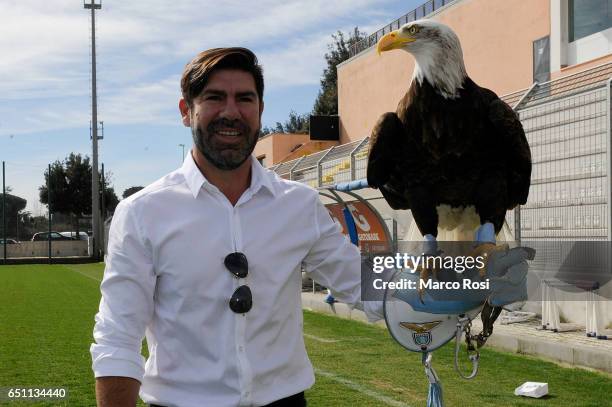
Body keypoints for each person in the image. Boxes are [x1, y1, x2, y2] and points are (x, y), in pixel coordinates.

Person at [90, 47, 381, 407]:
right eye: (214, 98)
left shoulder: (299, 205)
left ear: (259, 110)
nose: (231, 112)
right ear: (186, 111)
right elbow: (117, 337)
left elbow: (363, 281)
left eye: (245, 98)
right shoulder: (142, 212)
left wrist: (453, 281)